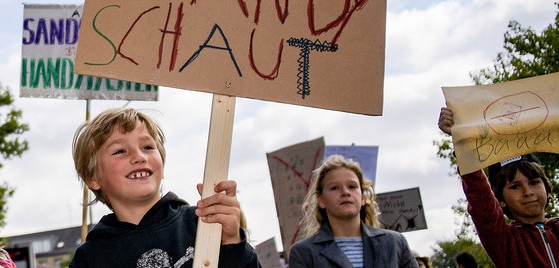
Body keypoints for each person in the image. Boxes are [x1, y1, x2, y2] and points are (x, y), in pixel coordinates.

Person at [69, 107, 262, 268]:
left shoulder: (204, 223)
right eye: (120, 151)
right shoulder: (89, 258)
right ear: (93, 178)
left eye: (147, 147)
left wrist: (233, 243)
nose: (139, 157)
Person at [439, 106, 559, 267]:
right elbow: (480, 196)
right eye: (515, 186)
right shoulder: (503, 240)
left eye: (534, 182)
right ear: (500, 200)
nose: (528, 192)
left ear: (547, 187)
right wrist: (460, 140)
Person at [286, 154, 417, 267]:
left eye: (352, 186)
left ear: (362, 197)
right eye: (334, 188)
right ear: (321, 200)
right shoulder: (304, 253)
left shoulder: (394, 243)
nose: (345, 192)